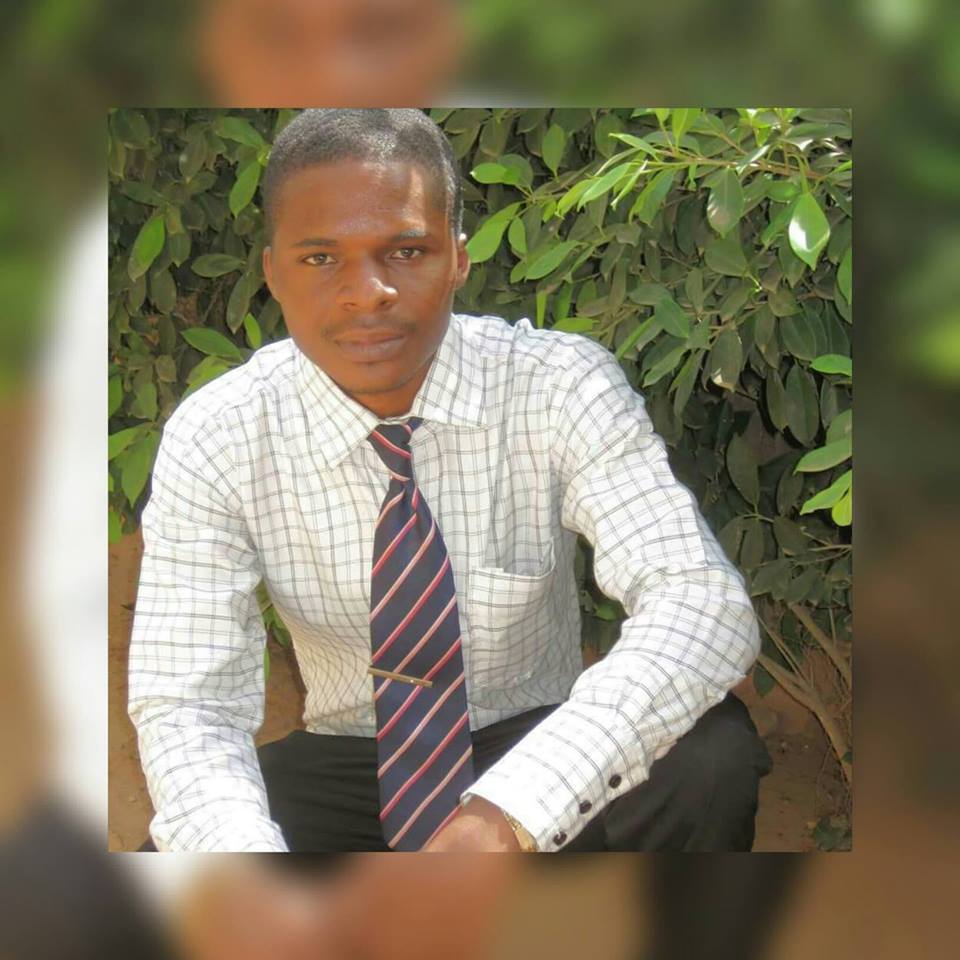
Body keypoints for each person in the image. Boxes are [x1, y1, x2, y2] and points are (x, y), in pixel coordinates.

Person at [128, 107, 771, 853]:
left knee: (707, 759)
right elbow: (190, 703)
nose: (367, 291)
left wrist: (506, 815)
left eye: (406, 251)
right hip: (352, 763)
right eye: (320, 258)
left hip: (538, 743)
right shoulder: (219, 434)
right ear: (273, 272)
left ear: (458, 259)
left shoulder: (558, 386)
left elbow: (700, 602)